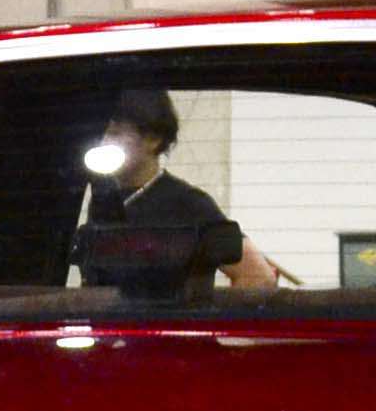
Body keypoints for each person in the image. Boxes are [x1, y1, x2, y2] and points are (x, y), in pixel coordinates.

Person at [70, 88, 285, 302]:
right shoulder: (104, 201)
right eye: (102, 133)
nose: (104, 141)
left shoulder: (188, 203)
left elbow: (258, 275)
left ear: (153, 139)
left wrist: (211, 330)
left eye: (115, 133)